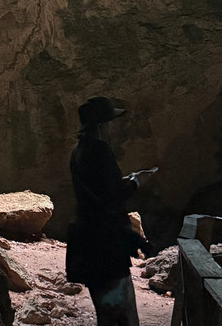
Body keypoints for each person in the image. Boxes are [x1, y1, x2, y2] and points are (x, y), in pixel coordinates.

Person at [66, 96, 153, 326]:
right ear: (101, 125)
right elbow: (111, 199)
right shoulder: (100, 151)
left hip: (89, 246)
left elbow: (98, 192)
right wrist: (137, 182)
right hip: (106, 248)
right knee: (121, 316)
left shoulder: (79, 151)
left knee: (106, 315)